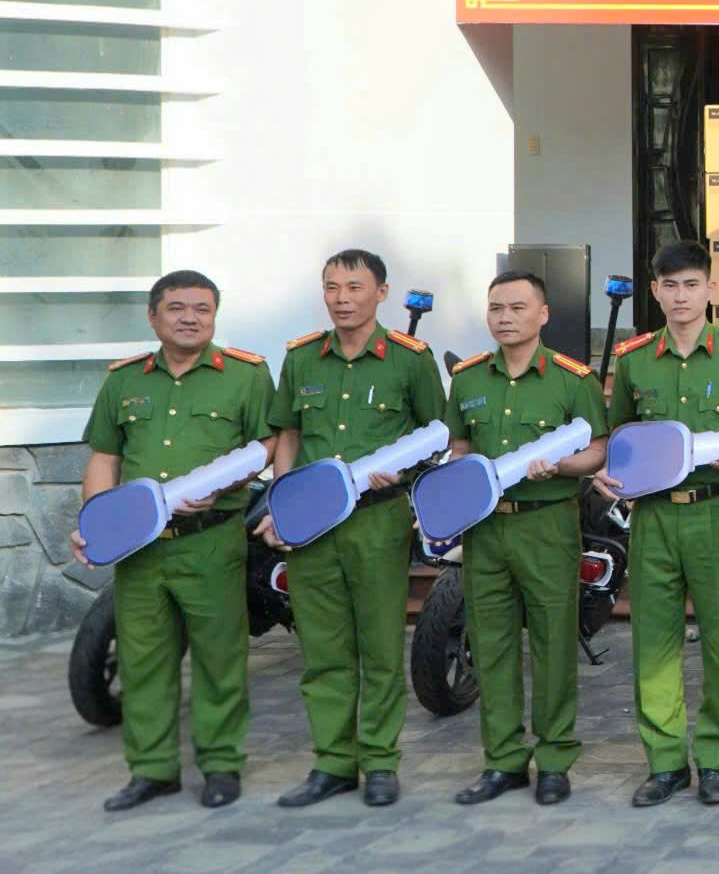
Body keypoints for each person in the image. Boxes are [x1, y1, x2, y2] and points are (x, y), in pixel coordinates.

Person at [71, 271, 273, 811]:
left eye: (203, 309)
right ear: (153, 316)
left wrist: (221, 487)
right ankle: (152, 770)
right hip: (140, 548)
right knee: (143, 660)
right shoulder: (123, 381)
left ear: (215, 316)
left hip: (211, 541)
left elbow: (268, 445)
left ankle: (221, 765)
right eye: (178, 307)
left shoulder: (247, 376)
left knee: (219, 657)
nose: (190, 318)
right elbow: (105, 458)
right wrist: (96, 523)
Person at [266, 248, 448, 809]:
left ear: (381, 293)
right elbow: (288, 436)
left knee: (379, 646)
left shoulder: (410, 360)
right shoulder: (301, 358)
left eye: (354, 287)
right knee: (323, 648)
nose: (342, 299)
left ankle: (380, 762)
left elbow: (437, 435)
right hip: (312, 526)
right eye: (332, 288)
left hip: (377, 520)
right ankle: (332, 763)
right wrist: (283, 503)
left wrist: (408, 472)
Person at [600, 240, 719, 808]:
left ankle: (716, 758)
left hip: (716, 510)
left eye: (691, 285)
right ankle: (666, 761)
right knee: (654, 641)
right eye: (670, 286)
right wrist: (609, 472)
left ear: (710, 289)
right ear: (655, 291)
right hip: (653, 514)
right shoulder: (633, 360)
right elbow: (619, 438)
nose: (681, 296)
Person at [440, 270, 609, 808]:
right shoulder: (468, 379)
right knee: (491, 644)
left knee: (554, 642)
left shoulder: (573, 379)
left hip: (547, 523)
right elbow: (460, 450)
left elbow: (598, 450)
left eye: (517, 307)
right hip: (486, 527)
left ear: (543, 314)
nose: (505, 318)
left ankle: (555, 759)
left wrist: (561, 465)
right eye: (496, 308)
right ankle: (503, 760)